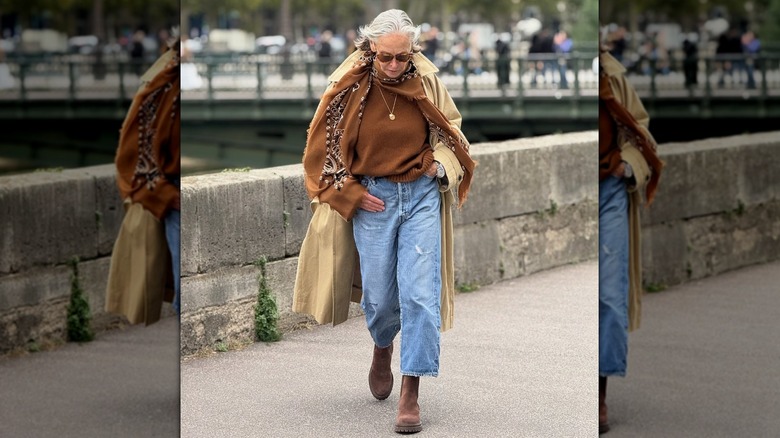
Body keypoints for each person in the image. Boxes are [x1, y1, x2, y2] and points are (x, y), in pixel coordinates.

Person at [293, 9, 475, 434]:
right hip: (373, 198)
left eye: (402, 57)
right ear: (371, 47)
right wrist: (353, 194)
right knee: (378, 297)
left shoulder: (427, 80)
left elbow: (454, 131)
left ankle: (411, 392)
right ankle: (381, 345)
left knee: (419, 296)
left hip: (422, 195)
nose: (394, 65)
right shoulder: (348, 85)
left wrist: (440, 166)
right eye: (386, 57)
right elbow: (323, 147)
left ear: (413, 51)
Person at [599, 45, 664, 434]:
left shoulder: (610, 73)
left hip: (608, 189)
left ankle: (599, 393)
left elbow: (640, 128)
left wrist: (628, 167)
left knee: (609, 295)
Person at [106, 36, 181, 324]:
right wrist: (163, 193)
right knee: (181, 294)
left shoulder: (166, 82)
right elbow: (139, 147)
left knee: (181, 291)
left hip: (173, 194)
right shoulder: (164, 86)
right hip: (173, 197)